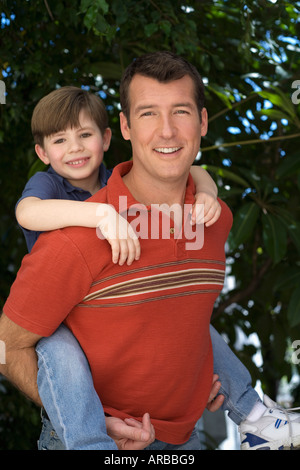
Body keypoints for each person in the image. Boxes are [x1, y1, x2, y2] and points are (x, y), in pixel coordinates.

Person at [1, 52, 299, 451]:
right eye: (147, 114)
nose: (167, 131)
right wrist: (88, 418)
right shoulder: (74, 232)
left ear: (203, 121)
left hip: (185, 438)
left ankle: (256, 417)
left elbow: (175, 320)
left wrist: (192, 378)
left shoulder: (215, 219)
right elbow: (6, 346)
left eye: (180, 111)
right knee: (58, 346)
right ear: (125, 126)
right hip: (92, 437)